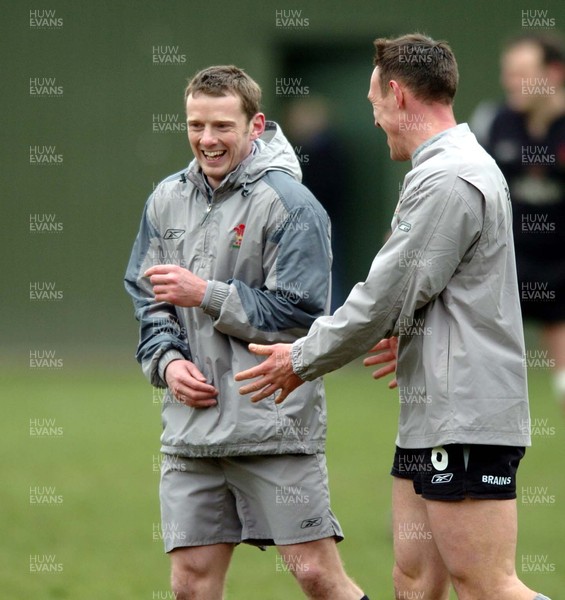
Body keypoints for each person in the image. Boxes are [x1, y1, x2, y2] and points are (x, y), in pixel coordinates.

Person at [236, 35, 552, 600]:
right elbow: (417, 297)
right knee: (413, 578)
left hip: (467, 413)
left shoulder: (450, 177)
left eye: (374, 101)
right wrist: (407, 333)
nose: (375, 116)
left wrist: (301, 358)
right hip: (432, 411)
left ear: (398, 95)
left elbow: (385, 295)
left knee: (484, 585)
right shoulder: (440, 169)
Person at [124, 65, 368, 600]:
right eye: (195, 125)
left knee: (316, 577)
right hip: (192, 430)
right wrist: (166, 362)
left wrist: (205, 294)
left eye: (221, 126)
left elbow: (300, 317)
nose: (206, 140)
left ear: (255, 125)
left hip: (273, 425)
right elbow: (147, 294)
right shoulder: (165, 199)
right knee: (190, 584)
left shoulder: (292, 204)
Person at [471, 33, 565, 412]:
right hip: (507, 267)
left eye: (523, 73)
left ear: (554, 73)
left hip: (562, 268)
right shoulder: (493, 123)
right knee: (480, 382)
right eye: (508, 73)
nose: (512, 82)